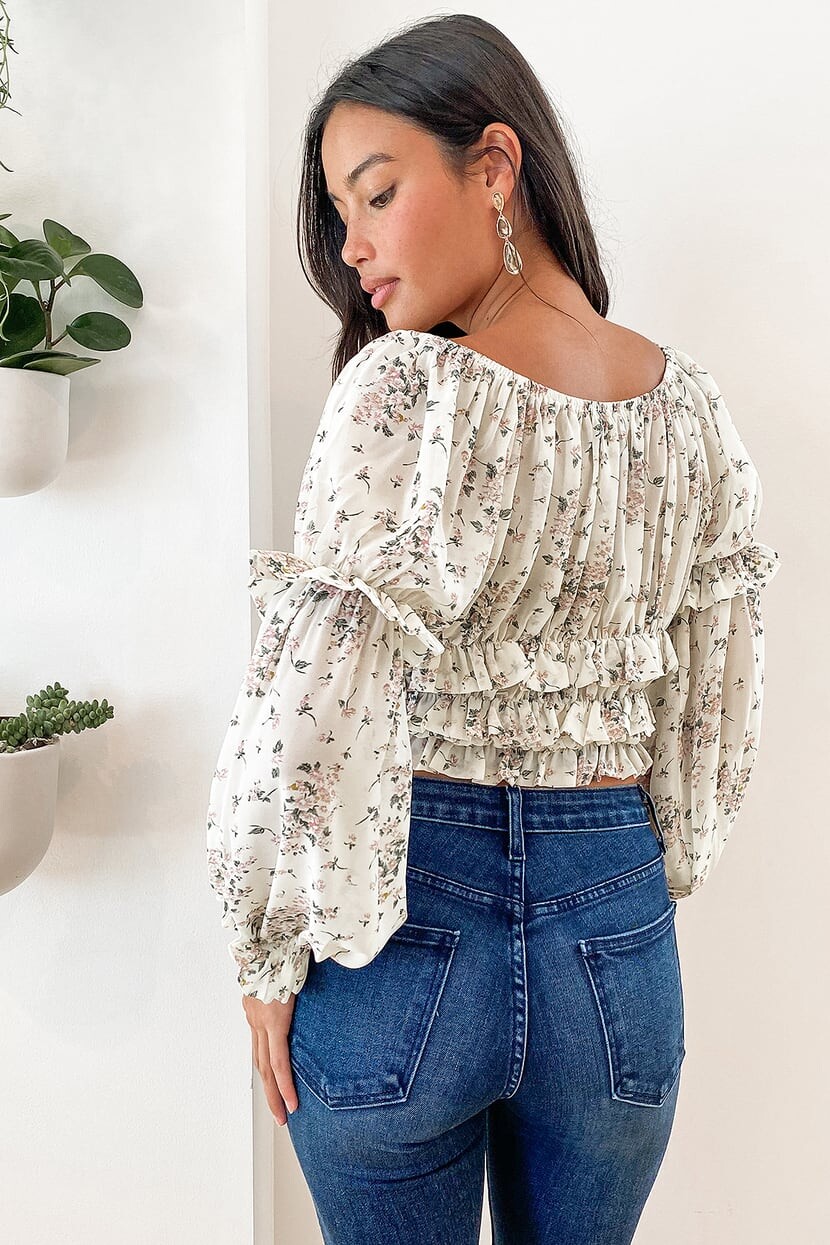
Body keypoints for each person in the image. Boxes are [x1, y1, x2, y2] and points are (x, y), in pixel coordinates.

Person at [206, 14, 781, 1243]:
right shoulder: (689, 410)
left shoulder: (401, 387)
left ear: (493, 165)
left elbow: (309, 701)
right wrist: (636, 879)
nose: (353, 247)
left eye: (375, 194)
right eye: (339, 215)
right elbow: (713, 707)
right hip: (616, 942)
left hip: (405, 924)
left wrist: (268, 944)